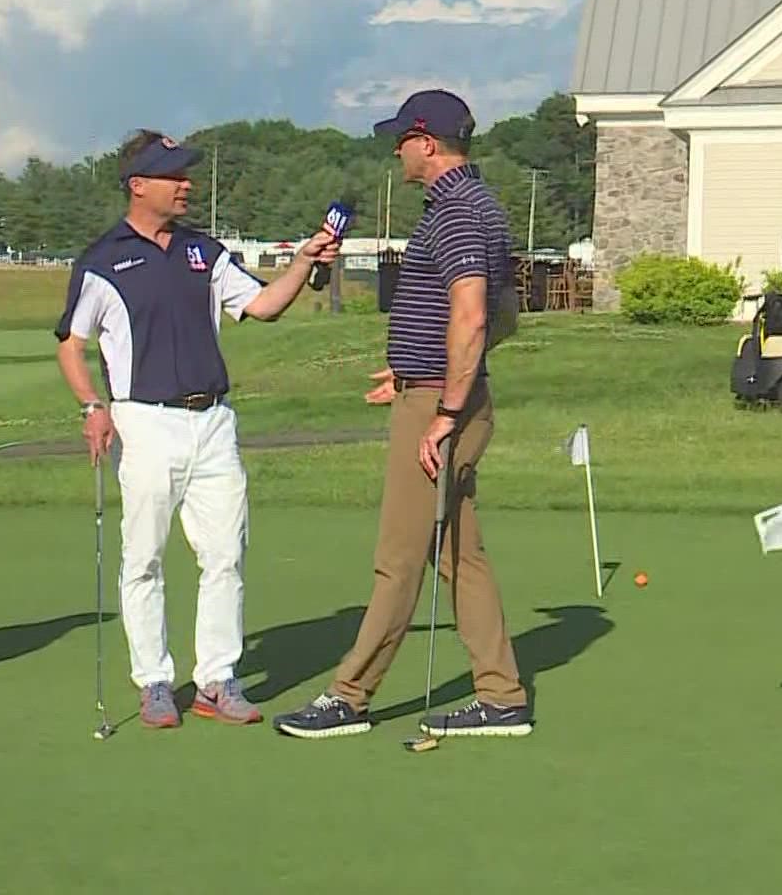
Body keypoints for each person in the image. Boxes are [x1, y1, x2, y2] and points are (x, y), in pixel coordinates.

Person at [55, 129, 342, 730]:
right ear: (138, 185)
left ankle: (217, 678)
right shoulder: (103, 261)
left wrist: (301, 265)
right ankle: (155, 680)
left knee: (224, 555)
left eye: (185, 174)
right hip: (144, 421)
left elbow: (262, 307)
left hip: (212, 421)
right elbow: (71, 346)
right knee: (144, 558)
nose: (186, 184)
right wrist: (91, 407)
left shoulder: (202, 252)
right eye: (172, 175)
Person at [273, 89, 533, 741]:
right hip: (436, 391)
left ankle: (350, 695)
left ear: (427, 141)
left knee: (400, 555)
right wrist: (415, 367)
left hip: (440, 408)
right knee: (456, 554)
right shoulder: (471, 207)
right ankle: (501, 696)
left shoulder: (459, 215)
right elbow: (499, 318)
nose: (397, 151)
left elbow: (477, 317)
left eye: (403, 139)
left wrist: (442, 406)